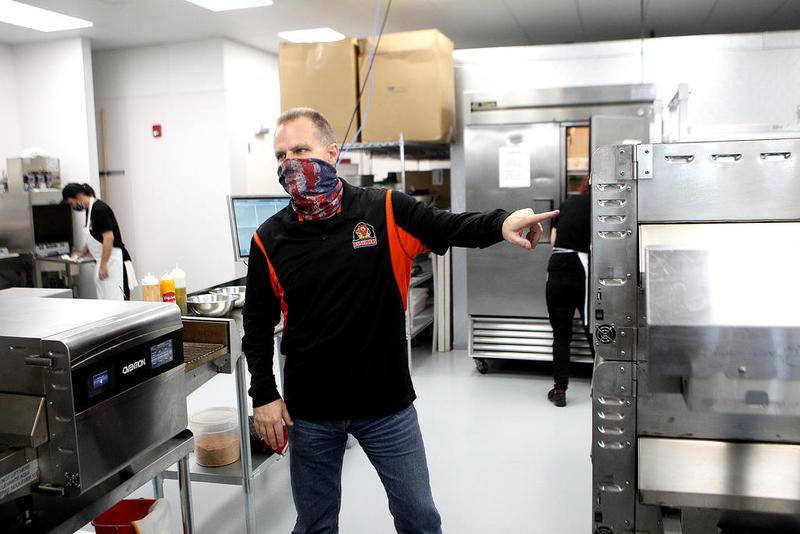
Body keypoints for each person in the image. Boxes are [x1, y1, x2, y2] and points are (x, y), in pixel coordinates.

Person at [243, 107, 558, 534]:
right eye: (280, 156)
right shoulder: (268, 238)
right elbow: (257, 327)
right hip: (312, 410)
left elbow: (447, 226)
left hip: (385, 404)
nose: (290, 163)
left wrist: (501, 222)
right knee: (315, 525)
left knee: (420, 519)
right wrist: (264, 394)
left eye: (301, 149)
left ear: (332, 153)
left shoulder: (384, 209)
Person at [545, 176, 593, 407]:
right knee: (592, 328)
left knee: (561, 334)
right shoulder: (600, 205)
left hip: (556, 266)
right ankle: (604, 386)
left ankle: (559, 390)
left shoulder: (567, 203)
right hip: (581, 268)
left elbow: (553, 240)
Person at [61, 183, 134, 300]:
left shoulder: (99, 209)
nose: (73, 206)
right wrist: (82, 252)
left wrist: (104, 265)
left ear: (78, 196)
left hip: (115, 261)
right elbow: (93, 235)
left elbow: (109, 237)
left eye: (71, 203)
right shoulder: (89, 210)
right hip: (104, 261)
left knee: (119, 302)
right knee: (107, 302)